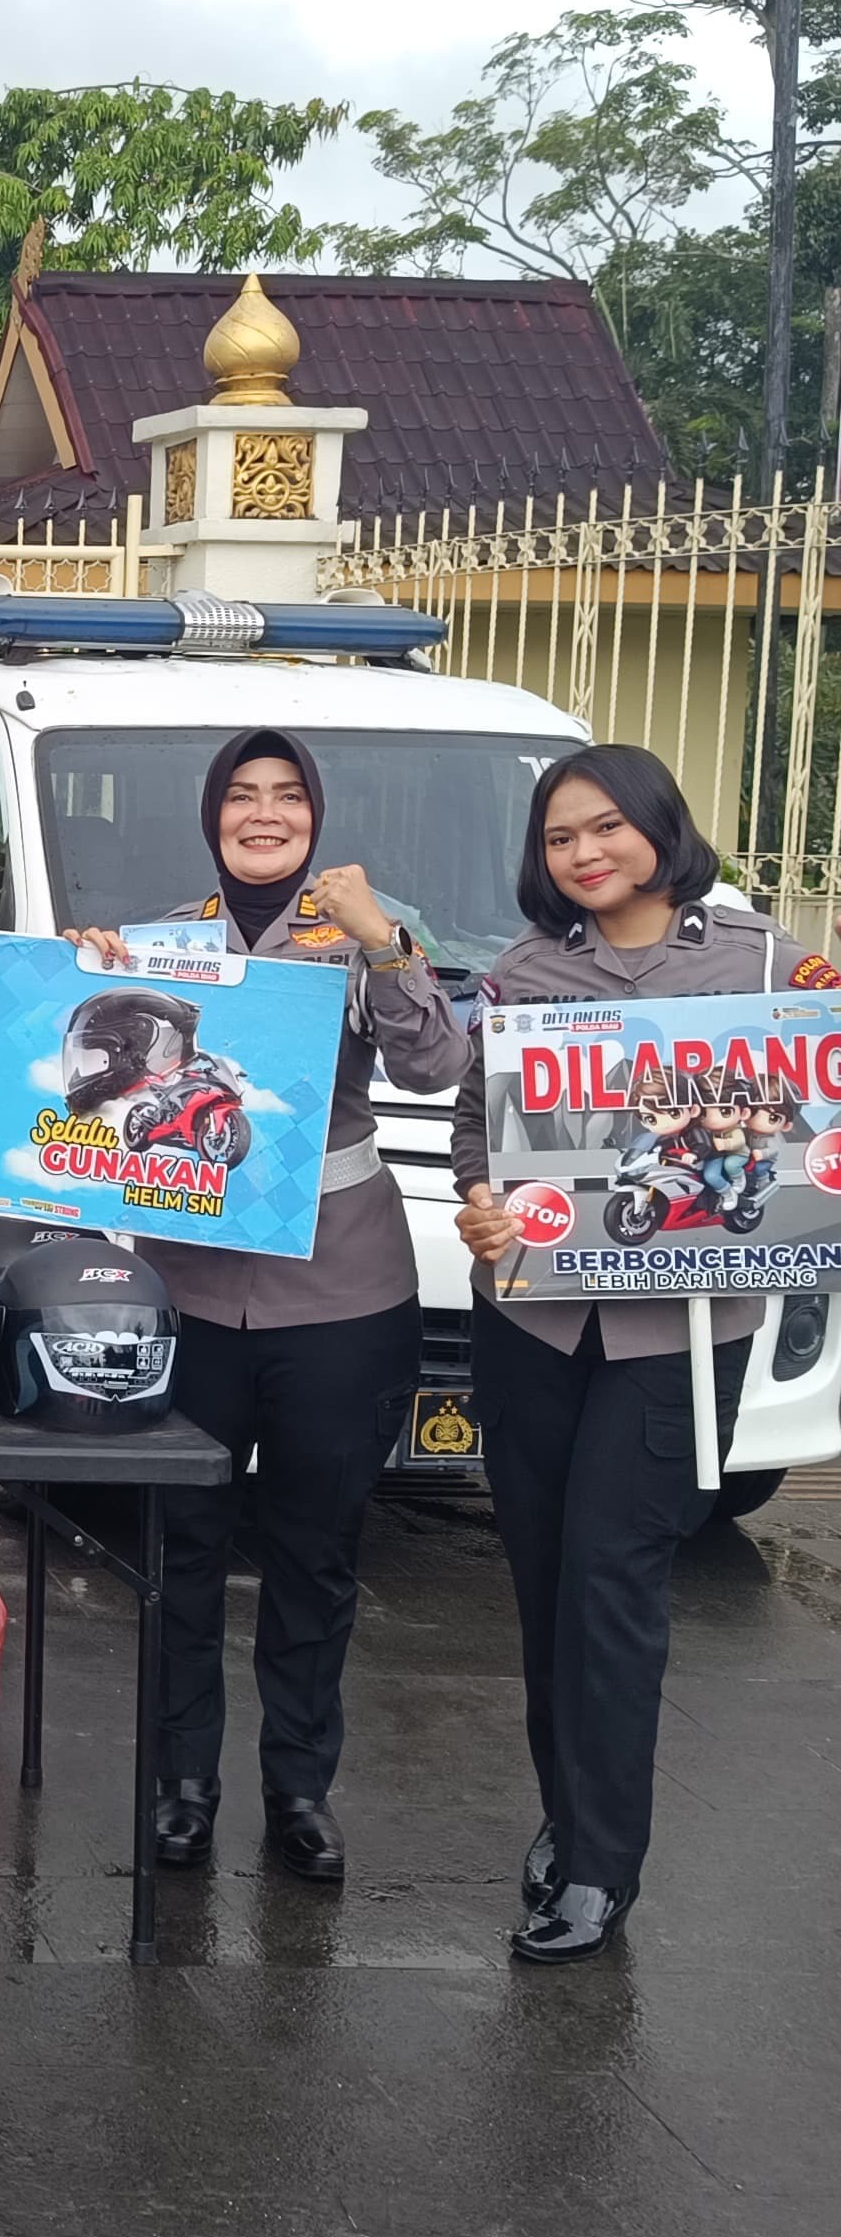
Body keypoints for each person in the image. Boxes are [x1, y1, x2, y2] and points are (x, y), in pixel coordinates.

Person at [453, 745, 839, 1962]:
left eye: (606, 829)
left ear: (662, 829)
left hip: (679, 1335)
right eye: (561, 838)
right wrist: (480, 1201)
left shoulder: (770, 963)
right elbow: (479, 1126)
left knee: (613, 1585)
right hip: (533, 1315)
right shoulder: (523, 974)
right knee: (543, 1585)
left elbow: (818, 1118)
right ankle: (570, 1817)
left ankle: (601, 1870)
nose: (584, 855)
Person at [68, 729, 467, 1884]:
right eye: (241, 795)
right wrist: (92, 975)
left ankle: (299, 1787)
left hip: (341, 1292)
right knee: (180, 1549)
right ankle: (180, 1789)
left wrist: (385, 944)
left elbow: (437, 1065)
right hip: (188, 1291)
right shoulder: (166, 942)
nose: (263, 813)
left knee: (313, 1553)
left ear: (316, 816)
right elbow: (95, 1088)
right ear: (212, 817)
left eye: (286, 796)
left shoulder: (368, 925)